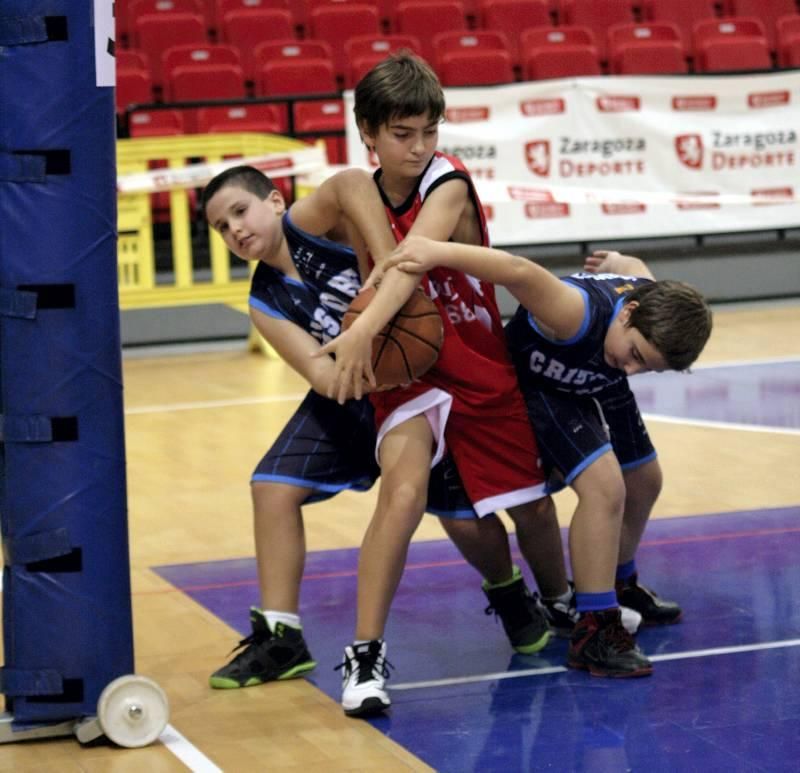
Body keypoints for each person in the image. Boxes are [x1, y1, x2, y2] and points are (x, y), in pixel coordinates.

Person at [200, 164, 561, 693]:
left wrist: (383, 259)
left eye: (240, 211)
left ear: (275, 202)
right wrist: (369, 354)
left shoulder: (307, 224)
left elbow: (349, 182)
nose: (235, 230)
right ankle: (281, 638)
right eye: (221, 227)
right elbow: (323, 377)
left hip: (423, 375)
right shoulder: (264, 301)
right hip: (358, 391)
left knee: (461, 519)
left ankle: (508, 591)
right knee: (271, 488)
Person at [315, 52, 569, 717]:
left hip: (477, 358)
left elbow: (406, 265)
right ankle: (365, 654)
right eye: (403, 134)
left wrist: (359, 332)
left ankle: (563, 598)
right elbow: (299, 243)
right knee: (402, 496)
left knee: (533, 509)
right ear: (368, 132)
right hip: (407, 371)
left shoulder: (447, 179)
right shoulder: (357, 192)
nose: (419, 146)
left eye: (429, 130)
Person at [373, 235, 713, 678]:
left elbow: (634, 267)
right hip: (539, 384)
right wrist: (436, 252)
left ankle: (619, 584)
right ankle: (595, 627)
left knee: (645, 479)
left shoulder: (642, 303)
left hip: (591, 375)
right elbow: (517, 271)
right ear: (627, 313)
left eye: (647, 367)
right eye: (636, 356)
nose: (633, 370)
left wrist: (613, 259)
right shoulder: (572, 311)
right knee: (604, 487)